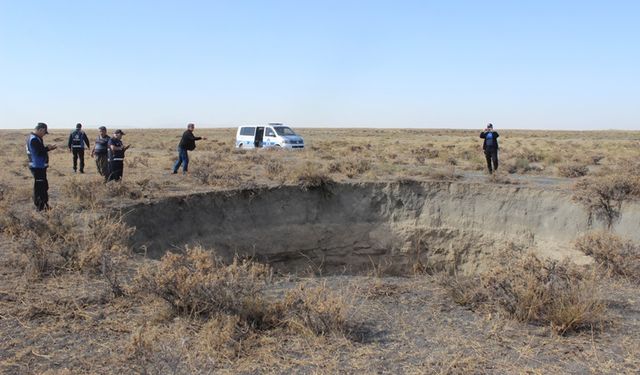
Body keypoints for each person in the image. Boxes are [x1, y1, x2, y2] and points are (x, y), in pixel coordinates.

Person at [26, 123, 57, 210]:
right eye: (44, 132)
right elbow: (38, 152)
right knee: (40, 187)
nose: (44, 134)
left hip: (38, 166)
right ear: (41, 130)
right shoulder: (34, 139)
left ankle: (44, 205)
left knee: (43, 186)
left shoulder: (33, 138)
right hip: (37, 167)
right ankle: (40, 207)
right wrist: (48, 148)